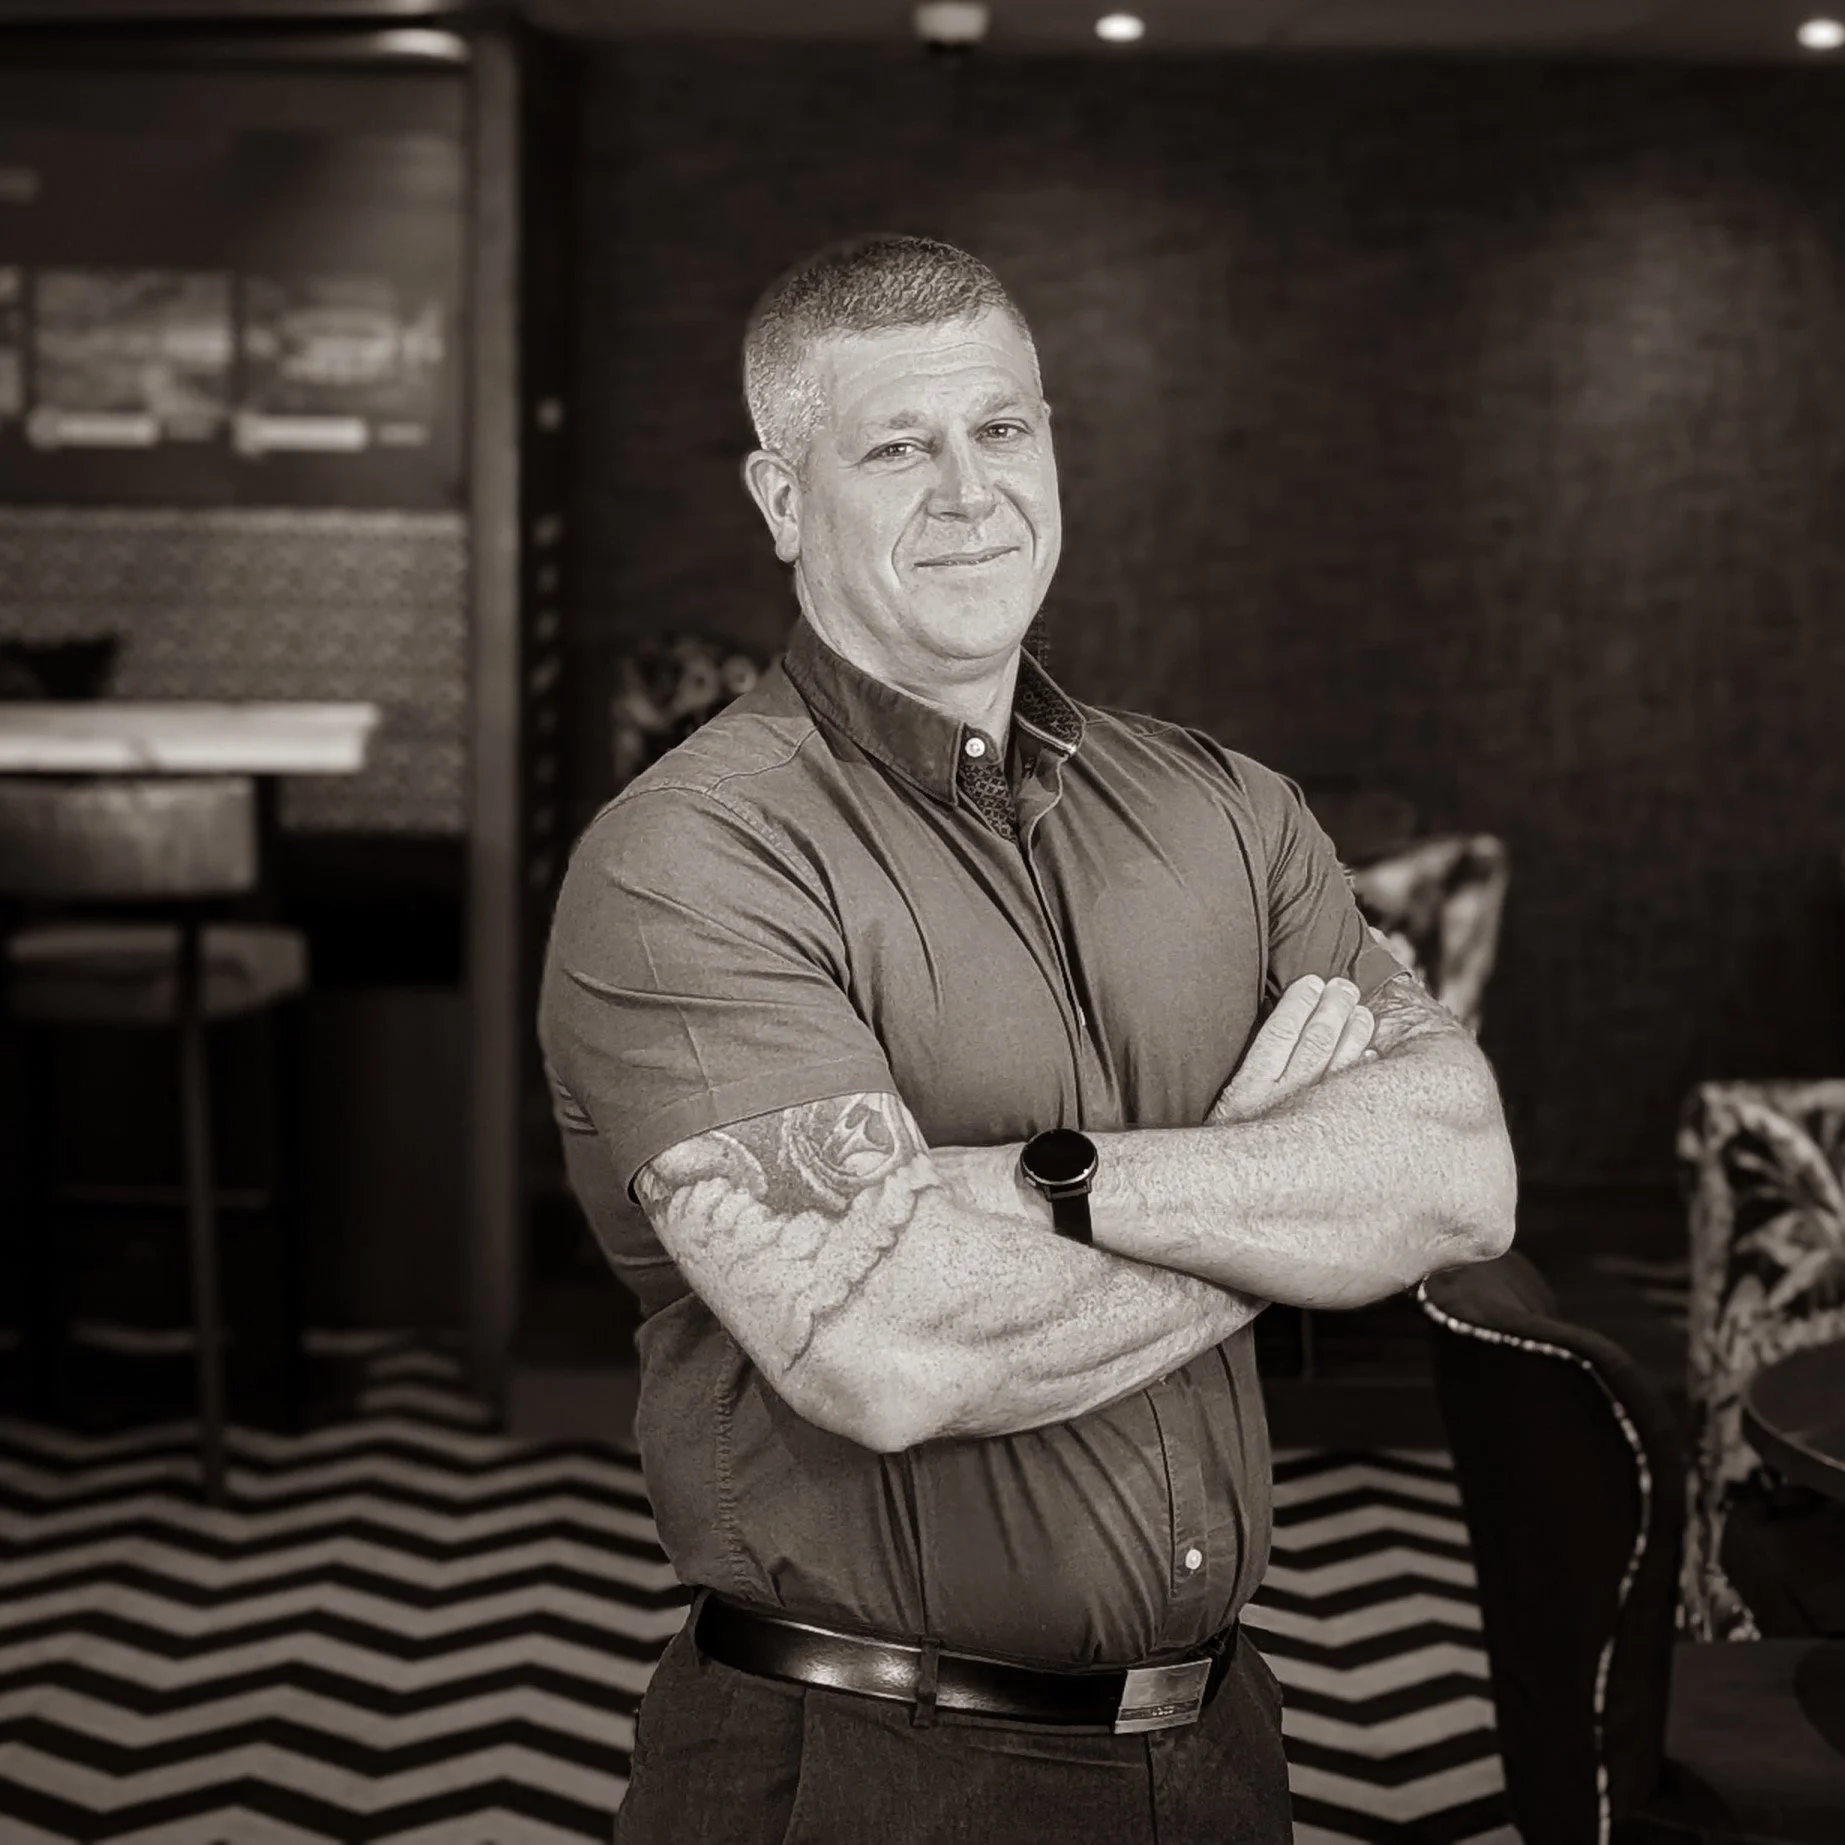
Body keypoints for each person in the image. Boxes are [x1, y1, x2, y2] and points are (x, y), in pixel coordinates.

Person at [539, 233, 1518, 1845]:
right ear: (784, 500)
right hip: (865, 1764)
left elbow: (1462, 1178)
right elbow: (887, 1348)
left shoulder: (1228, 808)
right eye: (895, 446)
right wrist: (1277, 1189)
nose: (969, 490)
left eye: (1002, 429)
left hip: (1217, 1746)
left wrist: (1045, 1186)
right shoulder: (691, 860)